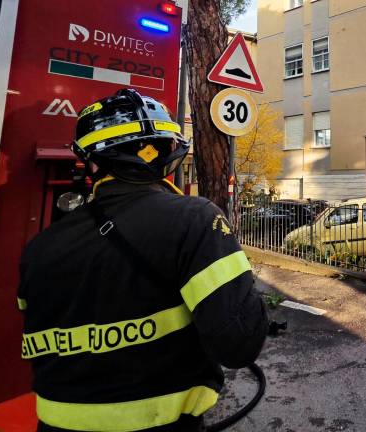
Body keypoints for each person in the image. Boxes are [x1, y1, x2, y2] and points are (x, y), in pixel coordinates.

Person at [18, 89, 268, 431]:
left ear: (91, 160)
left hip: (52, 424)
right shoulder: (194, 219)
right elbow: (239, 344)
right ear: (165, 152)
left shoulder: (39, 247)